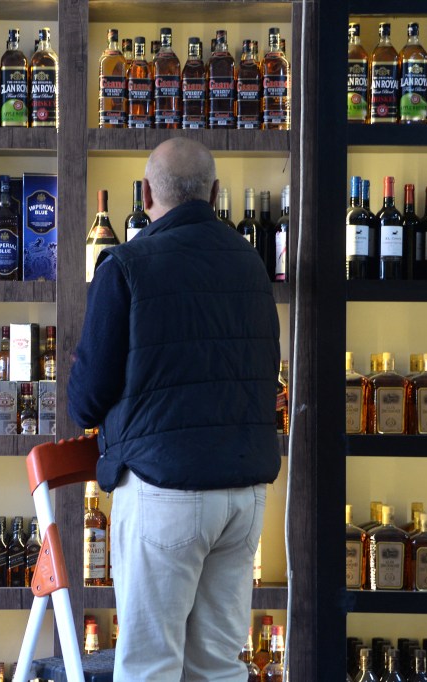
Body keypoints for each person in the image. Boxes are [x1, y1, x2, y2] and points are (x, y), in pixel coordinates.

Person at [67, 138, 281, 681]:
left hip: (166, 488)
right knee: (218, 666)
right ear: (213, 193)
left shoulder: (127, 264)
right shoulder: (251, 264)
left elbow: (86, 399)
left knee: (150, 665)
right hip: (244, 495)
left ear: (145, 193)